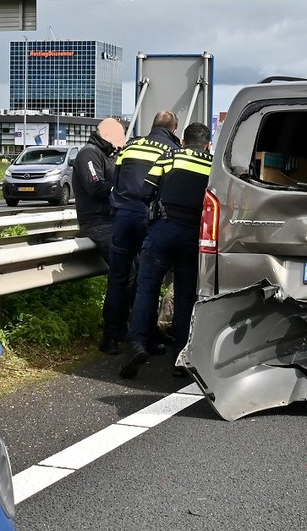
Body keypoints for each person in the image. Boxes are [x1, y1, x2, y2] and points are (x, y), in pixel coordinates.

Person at [119, 123, 212, 379]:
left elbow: (146, 191)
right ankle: (180, 360)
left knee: (147, 288)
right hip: (192, 236)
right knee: (184, 297)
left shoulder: (170, 156)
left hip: (163, 230)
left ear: (183, 141)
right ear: (207, 144)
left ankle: (137, 344)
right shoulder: (213, 165)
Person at [101, 110, 180, 353]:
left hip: (123, 218)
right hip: (149, 220)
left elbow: (116, 179)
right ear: (173, 129)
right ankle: (146, 336)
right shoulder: (171, 151)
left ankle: (111, 337)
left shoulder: (130, 147)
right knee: (148, 281)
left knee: (118, 278)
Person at [70, 117, 126, 351]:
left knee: (139, 268)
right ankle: (111, 335)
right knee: (124, 271)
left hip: (114, 220)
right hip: (96, 222)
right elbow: (95, 187)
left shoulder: (110, 155)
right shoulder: (89, 154)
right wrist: (124, 189)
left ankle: (127, 327)